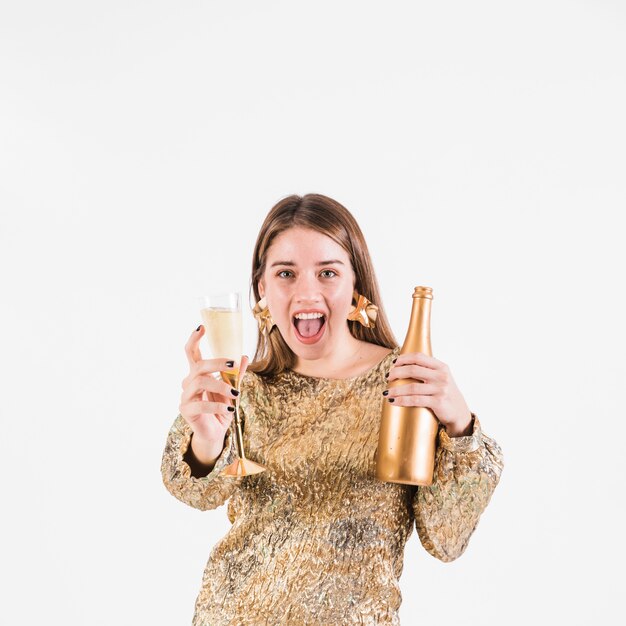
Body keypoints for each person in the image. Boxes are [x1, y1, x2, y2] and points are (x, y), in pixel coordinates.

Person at [161, 193, 504, 625]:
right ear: (262, 288)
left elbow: (446, 539)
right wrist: (207, 441)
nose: (307, 291)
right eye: (286, 273)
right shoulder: (244, 387)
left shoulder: (405, 384)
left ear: (354, 282)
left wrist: (460, 425)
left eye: (327, 272)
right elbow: (196, 493)